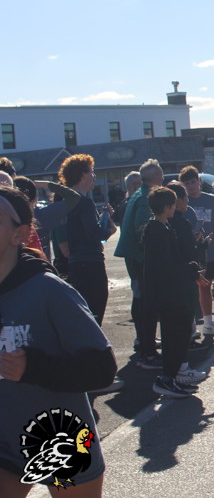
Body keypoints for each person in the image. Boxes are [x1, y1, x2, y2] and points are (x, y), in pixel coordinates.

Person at [0, 186, 117, 497]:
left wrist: (34, 367)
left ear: (19, 234)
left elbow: (102, 368)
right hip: (5, 440)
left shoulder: (48, 290)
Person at [143, 186, 207, 398]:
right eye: (172, 204)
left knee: (178, 335)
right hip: (168, 293)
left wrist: (189, 267)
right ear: (166, 207)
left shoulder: (160, 227)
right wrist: (189, 269)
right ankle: (167, 378)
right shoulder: (157, 231)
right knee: (174, 336)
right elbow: (166, 264)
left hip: (168, 290)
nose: (174, 208)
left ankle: (171, 377)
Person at [113, 158, 163, 369]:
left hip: (133, 256)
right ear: (156, 177)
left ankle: (144, 341)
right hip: (140, 258)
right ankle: (147, 353)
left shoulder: (138, 193)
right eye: (160, 173)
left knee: (141, 300)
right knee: (146, 304)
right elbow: (143, 229)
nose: (162, 176)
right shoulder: (146, 196)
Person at [59, 155, 117, 326]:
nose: (94, 176)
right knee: (95, 311)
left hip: (75, 264)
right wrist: (109, 230)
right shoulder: (85, 202)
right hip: (91, 263)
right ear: (83, 175)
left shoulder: (66, 201)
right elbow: (94, 233)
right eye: (91, 172)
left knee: (82, 313)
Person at [179, 166, 214, 337]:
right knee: (190, 290)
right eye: (187, 184)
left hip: (209, 250)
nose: (191, 186)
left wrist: (211, 220)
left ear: (199, 181)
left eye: (193, 182)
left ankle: (208, 323)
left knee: (206, 286)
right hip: (190, 252)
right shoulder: (182, 202)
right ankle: (191, 326)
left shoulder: (210, 199)